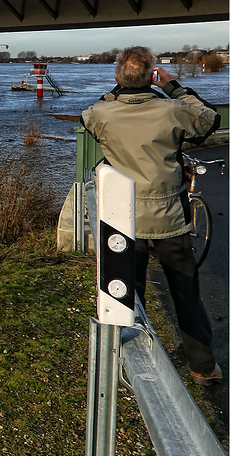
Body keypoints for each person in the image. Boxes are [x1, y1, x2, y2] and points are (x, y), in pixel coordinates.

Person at [81, 45, 222, 386]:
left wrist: (119, 88)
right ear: (151, 77)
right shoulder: (171, 110)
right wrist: (172, 85)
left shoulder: (104, 114)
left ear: (118, 77)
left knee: (129, 292)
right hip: (169, 217)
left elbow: (91, 114)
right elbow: (208, 118)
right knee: (185, 292)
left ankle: (130, 360)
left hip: (123, 218)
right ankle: (203, 367)